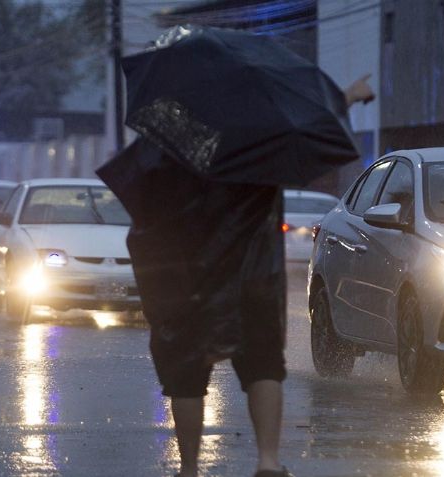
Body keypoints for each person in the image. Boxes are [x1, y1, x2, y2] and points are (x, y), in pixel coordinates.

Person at [127, 75, 374, 477]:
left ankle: (189, 469)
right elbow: (314, 134)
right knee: (262, 366)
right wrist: (347, 97)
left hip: (186, 276)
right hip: (252, 275)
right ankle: (268, 462)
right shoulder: (258, 143)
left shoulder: (169, 144)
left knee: (185, 373)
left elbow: (142, 209)